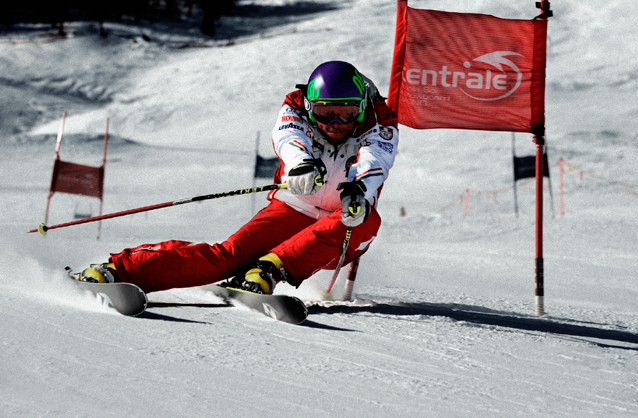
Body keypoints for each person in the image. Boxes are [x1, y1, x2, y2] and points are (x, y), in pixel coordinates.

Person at [75, 61, 399, 295]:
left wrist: (358, 189)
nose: (336, 122)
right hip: (294, 208)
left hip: (342, 227)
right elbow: (290, 138)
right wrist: (301, 166)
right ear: (310, 106)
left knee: (362, 218)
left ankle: (270, 268)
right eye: (326, 112)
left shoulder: (379, 120)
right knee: (225, 258)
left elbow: (376, 157)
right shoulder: (295, 107)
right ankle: (119, 269)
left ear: (361, 106)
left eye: (347, 113)